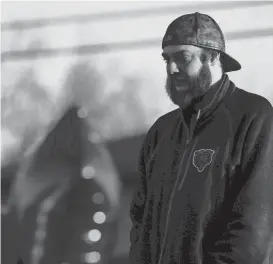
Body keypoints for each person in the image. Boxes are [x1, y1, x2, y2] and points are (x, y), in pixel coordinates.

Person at [129, 12, 273, 264]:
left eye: (182, 57)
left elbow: (252, 229)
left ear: (214, 57)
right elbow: (140, 223)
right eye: (167, 59)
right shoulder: (161, 132)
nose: (172, 68)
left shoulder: (253, 117)